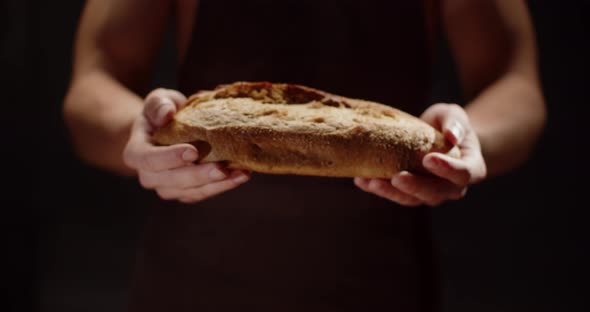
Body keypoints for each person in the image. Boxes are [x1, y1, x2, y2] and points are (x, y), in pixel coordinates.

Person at [63, 0, 545, 311]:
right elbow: (93, 84)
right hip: (193, 283)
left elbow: (515, 85)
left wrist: (466, 136)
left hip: (379, 284)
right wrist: (140, 135)